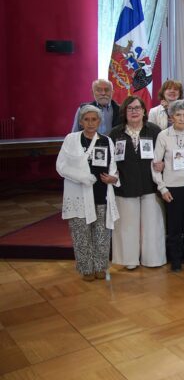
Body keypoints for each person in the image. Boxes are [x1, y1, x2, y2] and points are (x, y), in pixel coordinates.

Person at [57, 105, 119, 281]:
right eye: (87, 119)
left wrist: (113, 178)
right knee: (81, 234)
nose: (91, 123)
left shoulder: (106, 140)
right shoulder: (71, 139)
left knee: (102, 234)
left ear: (99, 121)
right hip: (78, 194)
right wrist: (82, 177)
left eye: (94, 119)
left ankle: (100, 267)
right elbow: (61, 166)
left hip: (102, 194)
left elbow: (114, 167)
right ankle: (86, 268)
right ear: (81, 121)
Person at [109, 96, 166, 269]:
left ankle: (153, 259)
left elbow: (166, 153)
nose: (134, 111)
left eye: (137, 108)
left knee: (153, 226)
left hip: (151, 185)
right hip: (125, 185)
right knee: (126, 226)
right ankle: (129, 261)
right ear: (124, 112)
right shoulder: (115, 133)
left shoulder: (154, 130)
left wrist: (163, 163)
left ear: (144, 111)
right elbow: (110, 160)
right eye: (130, 108)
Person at [151, 100, 184, 272]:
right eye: (178, 115)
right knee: (174, 227)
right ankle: (175, 259)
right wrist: (162, 188)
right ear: (171, 117)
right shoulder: (163, 135)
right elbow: (155, 165)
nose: (182, 118)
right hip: (172, 188)